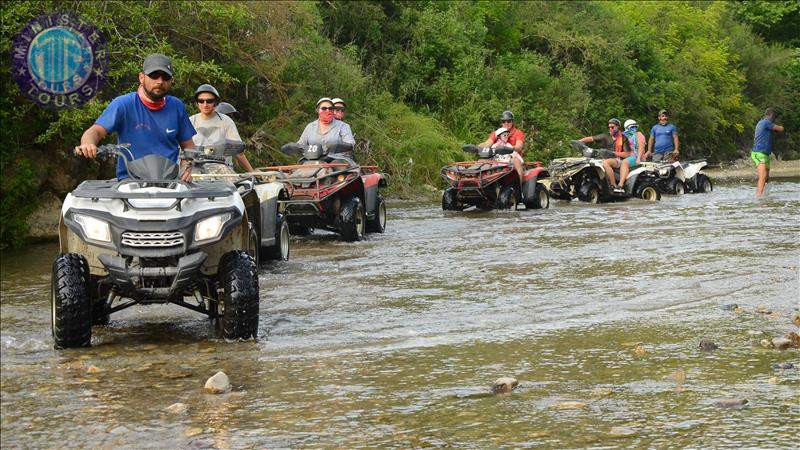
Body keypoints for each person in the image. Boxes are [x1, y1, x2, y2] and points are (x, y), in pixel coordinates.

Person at [74, 54, 195, 181]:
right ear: (141, 77)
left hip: (169, 183)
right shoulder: (123, 104)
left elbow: (189, 147)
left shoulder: (176, 106)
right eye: (154, 75)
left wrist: (185, 170)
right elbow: (96, 131)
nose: (160, 81)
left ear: (171, 80)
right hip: (130, 182)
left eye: (165, 77)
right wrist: (88, 144)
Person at [189, 84, 254, 172]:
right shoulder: (191, 121)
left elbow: (238, 151)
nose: (205, 104)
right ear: (197, 103)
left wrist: (252, 172)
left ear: (215, 102)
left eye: (209, 101)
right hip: (196, 167)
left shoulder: (226, 121)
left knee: (233, 180)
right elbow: (181, 149)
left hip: (221, 167)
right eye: (201, 101)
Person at [578, 118, 632, 192]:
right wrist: (579, 141)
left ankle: (614, 186)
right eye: (609, 127)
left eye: (612, 127)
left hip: (617, 159)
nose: (610, 129)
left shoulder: (624, 138)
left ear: (618, 127)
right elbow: (591, 138)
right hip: (604, 157)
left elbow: (627, 154)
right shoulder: (605, 136)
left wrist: (613, 153)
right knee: (586, 162)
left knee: (606, 163)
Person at [479, 110, 526, 190]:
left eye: (509, 121)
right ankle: (481, 186)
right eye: (504, 121)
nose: (506, 123)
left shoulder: (518, 133)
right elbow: (487, 143)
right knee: (481, 161)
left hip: (511, 158)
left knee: (515, 161)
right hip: (497, 158)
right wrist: (477, 147)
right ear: (502, 122)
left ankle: (521, 188)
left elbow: (519, 146)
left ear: (512, 121)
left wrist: (509, 148)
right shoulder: (497, 133)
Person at [752, 107, 785, 196]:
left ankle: (764, 196)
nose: (774, 120)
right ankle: (759, 199)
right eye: (774, 118)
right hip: (758, 153)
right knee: (762, 177)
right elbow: (780, 129)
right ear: (771, 115)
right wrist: (781, 126)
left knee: (766, 178)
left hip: (765, 154)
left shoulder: (763, 123)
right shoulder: (766, 122)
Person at [616, 119, 647, 189]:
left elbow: (641, 146)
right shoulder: (623, 136)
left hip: (637, 156)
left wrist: (638, 158)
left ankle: (620, 185)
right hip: (628, 155)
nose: (634, 129)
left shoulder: (638, 134)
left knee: (624, 163)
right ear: (627, 128)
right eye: (632, 127)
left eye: (635, 127)